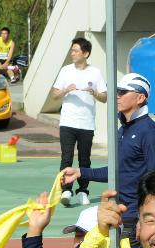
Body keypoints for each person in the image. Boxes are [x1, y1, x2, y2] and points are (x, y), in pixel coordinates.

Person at [61, 73, 155, 241]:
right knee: (81, 236)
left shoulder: (149, 131)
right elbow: (117, 170)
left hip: (133, 217)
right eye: (117, 91)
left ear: (140, 98)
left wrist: (146, 219)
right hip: (117, 211)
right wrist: (80, 172)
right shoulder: (123, 130)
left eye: (123, 92)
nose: (117, 96)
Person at [52, 37, 107, 207]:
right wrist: (66, 90)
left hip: (86, 124)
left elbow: (104, 97)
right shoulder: (65, 71)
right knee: (66, 158)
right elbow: (54, 94)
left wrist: (94, 93)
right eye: (72, 50)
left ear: (86, 53)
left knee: (85, 160)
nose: (72, 53)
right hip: (67, 122)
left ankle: (83, 191)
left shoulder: (95, 72)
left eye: (76, 51)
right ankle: (66, 190)